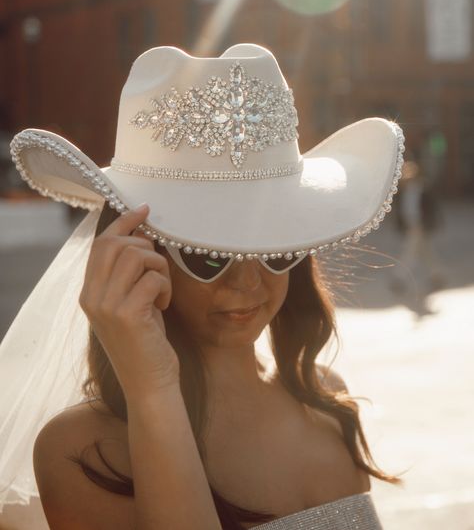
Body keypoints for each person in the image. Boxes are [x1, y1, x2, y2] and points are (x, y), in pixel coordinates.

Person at [0, 44, 406, 529]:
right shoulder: (84, 451)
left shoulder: (327, 401)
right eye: (207, 254)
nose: (249, 281)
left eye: (277, 249)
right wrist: (153, 389)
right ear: (135, 252)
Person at [391, 159, 446, 315]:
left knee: (410, 253)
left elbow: (431, 207)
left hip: (419, 226)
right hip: (411, 226)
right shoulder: (403, 191)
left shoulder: (422, 188)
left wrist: (430, 223)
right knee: (426, 251)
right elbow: (401, 210)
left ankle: (399, 278)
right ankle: (437, 275)